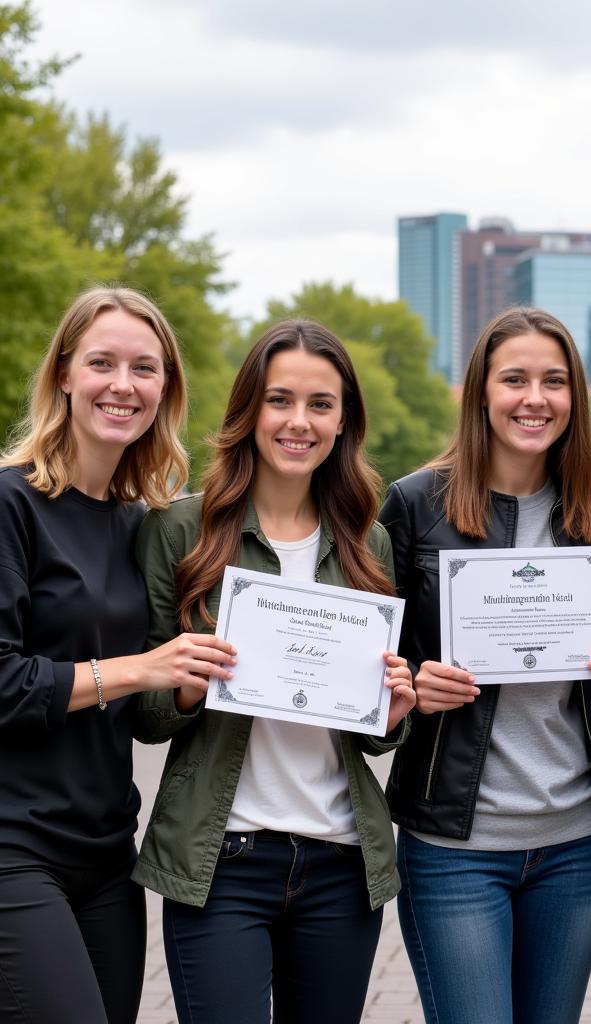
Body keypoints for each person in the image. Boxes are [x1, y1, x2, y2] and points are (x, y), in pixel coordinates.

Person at [131, 320, 415, 1024]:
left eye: (321, 404)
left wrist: (393, 711)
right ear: (249, 410)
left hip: (341, 861)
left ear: (344, 420)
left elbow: (371, 736)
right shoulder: (180, 529)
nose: (299, 421)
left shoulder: (367, 543)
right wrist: (188, 685)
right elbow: (145, 717)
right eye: (279, 399)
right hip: (221, 860)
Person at [380, 307, 591, 1024]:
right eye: (515, 379)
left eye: (554, 381)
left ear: (574, 398)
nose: (535, 398)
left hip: (575, 844)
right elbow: (373, 662)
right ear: (481, 392)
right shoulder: (412, 505)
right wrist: (412, 681)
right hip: (454, 843)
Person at [0, 287, 237, 1023]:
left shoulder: (143, 524)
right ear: (64, 374)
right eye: (102, 363)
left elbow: (144, 719)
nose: (123, 385)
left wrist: (203, 678)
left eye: (145, 367)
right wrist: (143, 668)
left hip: (107, 852)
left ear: (166, 386)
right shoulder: (11, 504)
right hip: (13, 849)